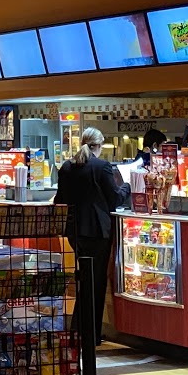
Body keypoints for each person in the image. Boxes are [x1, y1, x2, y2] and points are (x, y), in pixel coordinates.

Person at [53, 127, 123, 344]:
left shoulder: (67, 167)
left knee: (85, 279)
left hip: (74, 231)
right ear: (99, 145)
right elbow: (115, 199)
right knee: (96, 282)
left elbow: (59, 199)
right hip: (97, 232)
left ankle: (80, 330)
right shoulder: (102, 167)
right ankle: (89, 334)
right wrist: (129, 187)